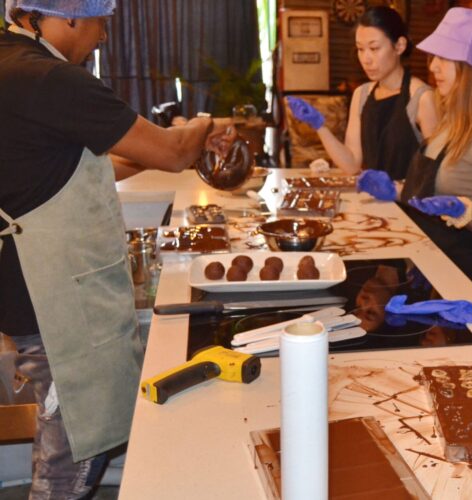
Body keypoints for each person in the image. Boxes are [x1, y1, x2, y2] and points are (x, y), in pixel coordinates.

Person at [0, 1, 223, 497]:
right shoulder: (52, 80)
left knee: (73, 430)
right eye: (102, 21)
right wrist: (208, 125)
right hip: (56, 296)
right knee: (74, 447)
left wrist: (162, 153)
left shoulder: (10, 65)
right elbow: (174, 151)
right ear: (70, 16)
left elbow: (70, 168)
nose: (103, 36)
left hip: (24, 285)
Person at [362, 7, 472, 283]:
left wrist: (465, 212)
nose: (432, 66)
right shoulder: (452, 121)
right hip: (431, 262)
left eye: (443, 58)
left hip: (468, 271)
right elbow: (432, 190)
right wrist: (397, 190)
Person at [285, 6, 437, 180]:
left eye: (374, 48)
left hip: (408, 204)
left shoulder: (421, 97)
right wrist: (319, 126)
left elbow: (434, 172)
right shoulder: (362, 94)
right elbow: (351, 164)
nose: (366, 59)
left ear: (399, 46)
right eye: (360, 49)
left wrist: (398, 191)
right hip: (373, 202)